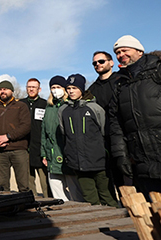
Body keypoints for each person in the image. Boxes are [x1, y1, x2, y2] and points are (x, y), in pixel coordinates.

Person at [109, 35, 161, 201]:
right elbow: (115, 124)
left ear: (139, 51)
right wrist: (121, 156)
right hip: (143, 162)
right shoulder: (119, 84)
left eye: (125, 50)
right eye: (117, 52)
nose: (121, 54)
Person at [59, 74, 118, 207]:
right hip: (78, 163)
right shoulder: (63, 110)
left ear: (81, 89)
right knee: (90, 198)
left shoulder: (94, 108)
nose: (71, 91)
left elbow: (104, 132)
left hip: (98, 162)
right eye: (68, 88)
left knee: (107, 196)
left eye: (74, 88)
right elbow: (64, 133)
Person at [87, 51, 125, 200]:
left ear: (111, 62)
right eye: (94, 63)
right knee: (110, 177)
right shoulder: (92, 90)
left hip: (123, 136)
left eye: (101, 61)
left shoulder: (121, 80)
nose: (97, 64)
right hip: (103, 139)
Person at [40, 76, 83, 202]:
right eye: (53, 88)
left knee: (74, 188)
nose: (55, 90)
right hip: (52, 154)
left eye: (58, 87)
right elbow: (44, 133)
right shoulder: (49, 108)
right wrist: (44, 153)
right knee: (56, 189)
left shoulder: (69, 106)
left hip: (67, 153)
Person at [0, 80, 31, 192]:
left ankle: (25, 208)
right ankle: (6, 207)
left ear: (12, 90)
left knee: (23, 185)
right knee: (2, 186)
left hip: (19, 149)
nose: (3, 91)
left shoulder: (21, 106)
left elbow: (26, 126)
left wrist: (8, 136)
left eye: (5, 89)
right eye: (0, 89)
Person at [20, 78, 50, 197]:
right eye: (29, 87)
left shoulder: (45, 104)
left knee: (44, 180)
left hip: (40, 147)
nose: (31, 89)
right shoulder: (21, 104)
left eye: (34, 87)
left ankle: (48, 200)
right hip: (25, 147)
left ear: (39, 89)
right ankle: (33, 200)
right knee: (28, 179)